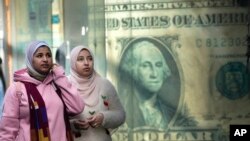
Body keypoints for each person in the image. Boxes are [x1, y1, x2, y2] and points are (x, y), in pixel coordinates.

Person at [0, 40, 84, 141]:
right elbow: (7, 130)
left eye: (48, 55)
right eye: (39, 55)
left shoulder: (56, 84)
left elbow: (77, 107)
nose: (45, 59)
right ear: (31, 59)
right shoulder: (17, 89)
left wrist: (60, 77)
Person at [68, 45, 125, 141]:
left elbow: (121, 115)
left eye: (90, 59)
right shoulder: (65, 85)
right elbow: (56, 120)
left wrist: (104, 118)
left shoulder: (104, 84)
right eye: (80, 59)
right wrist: (73, 124)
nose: (86, 63)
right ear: (73, 62)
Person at [118, 40, 176, 129]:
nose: (154, 74)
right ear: (132, 71)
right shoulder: (122, 110)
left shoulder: (170, 112)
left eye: (158, 65)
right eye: (146, 65)